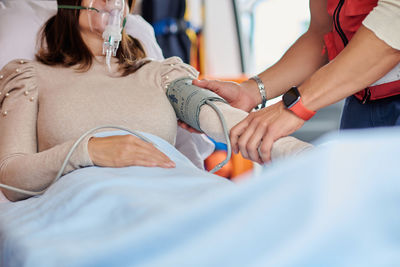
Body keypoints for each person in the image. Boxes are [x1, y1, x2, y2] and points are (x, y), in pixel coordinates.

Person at [0, 0, 310, 202]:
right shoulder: (30, 77)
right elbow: (11, 177)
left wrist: (297, 154)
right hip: (86, 209)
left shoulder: (161, 74)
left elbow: (219, 117)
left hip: (173, 200)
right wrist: (87, 150)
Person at [191, 0, 400, 164]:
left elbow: (393, 27)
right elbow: (321, 34)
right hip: (362, 109)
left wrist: (295, 105)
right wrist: (251, 91)